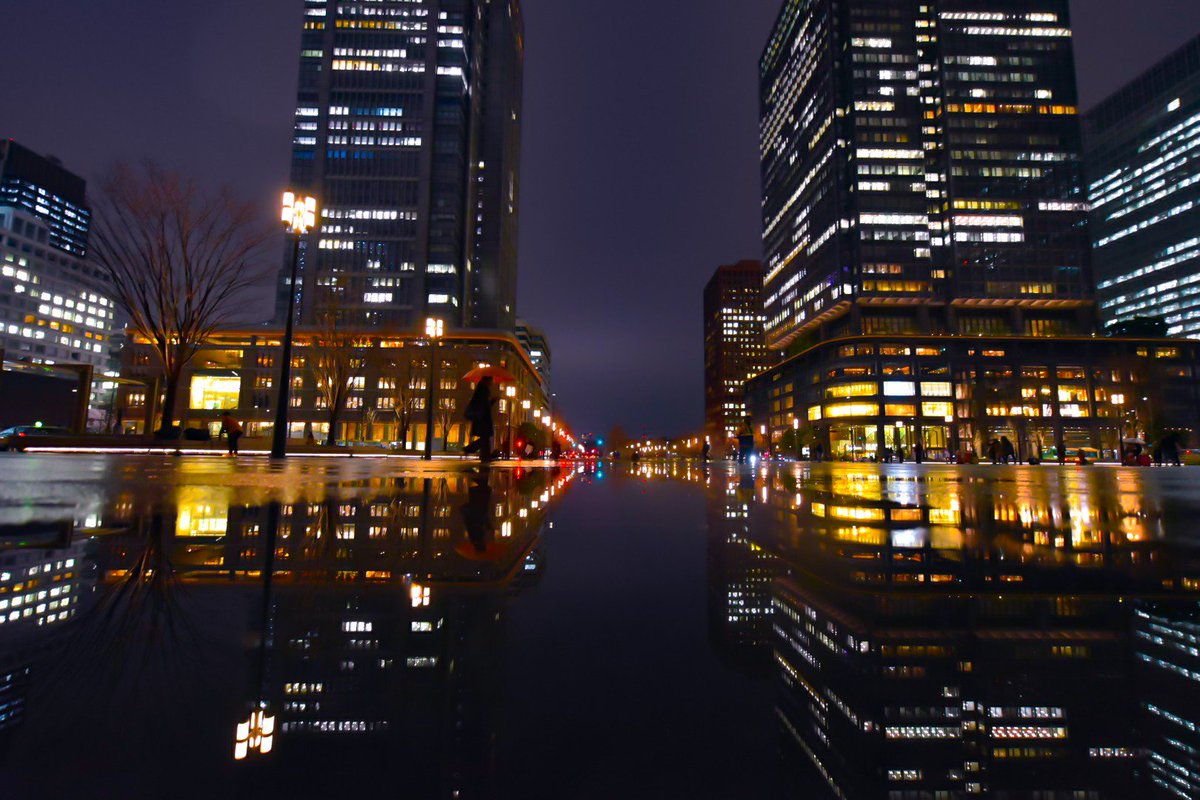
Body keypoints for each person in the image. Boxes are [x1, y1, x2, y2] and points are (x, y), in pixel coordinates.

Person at [462, 377, 497, 463]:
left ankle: (485, 456)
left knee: (485, 439)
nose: (492, 382)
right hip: (483, 419)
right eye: (491, 380)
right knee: (485, 439)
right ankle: (470, 449)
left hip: (481, 419)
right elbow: (485, 406)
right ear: (487, 380)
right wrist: (493, 401)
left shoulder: (480, 389)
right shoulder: (484, 390)